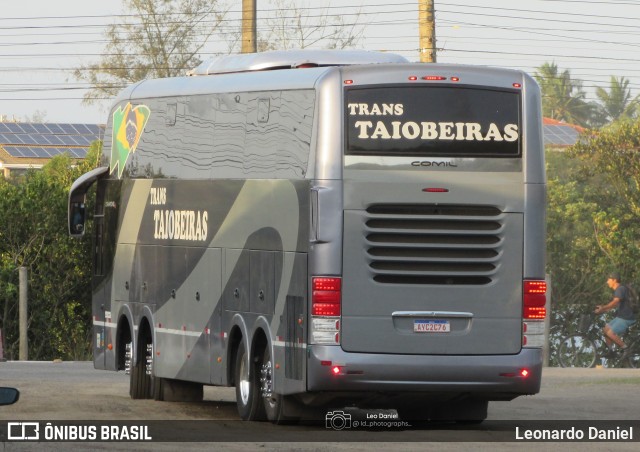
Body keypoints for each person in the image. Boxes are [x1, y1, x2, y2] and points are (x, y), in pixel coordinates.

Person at [594, 272, 637, 356]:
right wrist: (602, 310)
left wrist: (603, 307)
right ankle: (611, 351)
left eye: (608, 280)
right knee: (606, 330)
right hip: (621, 317)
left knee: (610, 333)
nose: (607, 282)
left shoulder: (620, 289)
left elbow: (615, 302)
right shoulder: (620, 289)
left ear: (614, 280)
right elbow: (615, 305)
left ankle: (626, 348)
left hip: (626, 318)